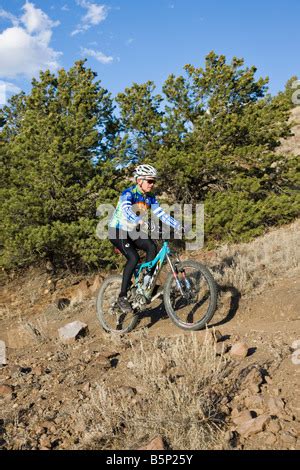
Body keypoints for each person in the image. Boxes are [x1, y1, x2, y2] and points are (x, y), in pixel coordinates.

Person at [108, 164, 183, 314]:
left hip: (133, 231)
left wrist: (178, 225)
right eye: (149, 181)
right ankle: (122, 296)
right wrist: (139, 220)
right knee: (133, 257)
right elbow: (126, 209)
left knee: (152, 247)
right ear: (139, 180)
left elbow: (161, 214)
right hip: (117, 230)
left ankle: (148, 282)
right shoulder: (128, 193)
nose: (152, 184)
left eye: (153, 181)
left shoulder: (150, 197)